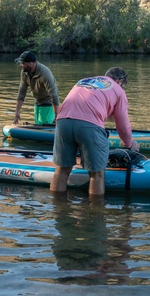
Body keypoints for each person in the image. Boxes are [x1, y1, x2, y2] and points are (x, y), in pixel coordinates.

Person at [51, 67, 139, 196]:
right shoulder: (118, 90)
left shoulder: (84, 80)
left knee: (62, 170)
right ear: (120, 81)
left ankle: (58, 210)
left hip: (63, 121)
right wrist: (129, 145)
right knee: (96, 174)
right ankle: (96, 213)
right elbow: (123, 125)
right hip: (89, 125)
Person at [13, 50, 60, 125]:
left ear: (30, 63)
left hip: (48, 104)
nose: (20, 65)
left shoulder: (45, 73)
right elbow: (21, 92)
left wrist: (57, 115)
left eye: (22, 63)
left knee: (45, 128)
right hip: (37, 102)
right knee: (38, 125)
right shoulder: (24, 72)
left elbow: (54, 95)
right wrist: (17, 112)